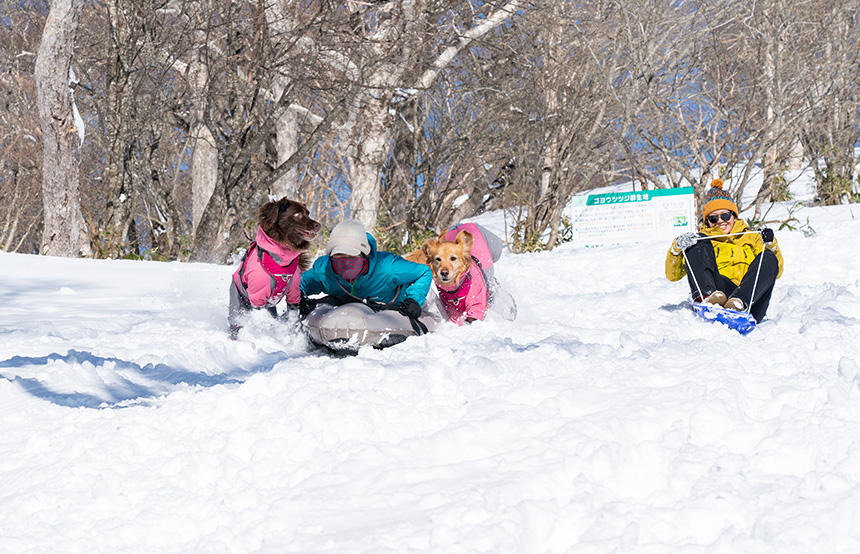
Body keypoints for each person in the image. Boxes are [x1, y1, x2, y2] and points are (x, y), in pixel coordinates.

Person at [300, 220, 439, 350]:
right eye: (339, 259)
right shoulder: (324, 270)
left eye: (351, 259)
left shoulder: (387, 267)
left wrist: (414, 299)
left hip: (396, 306)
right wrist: (298, 299)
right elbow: (300, 284)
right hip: (352, 307)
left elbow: (423, 272)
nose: (346, 265)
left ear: (364, 254)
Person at [665, 178, 784, 322]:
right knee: (696, 242)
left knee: (769, 257)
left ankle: (738, 304)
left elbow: (776, 271)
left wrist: (770, 244)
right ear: (707, 221)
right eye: (713, 218)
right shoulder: (703, 242)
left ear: (734, 215)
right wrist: (676, 248)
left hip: (750, 300)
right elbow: (672, 276)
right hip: (719, 294)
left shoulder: (752, 238)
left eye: (725, 215)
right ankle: (708, 298)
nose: (720, 221)